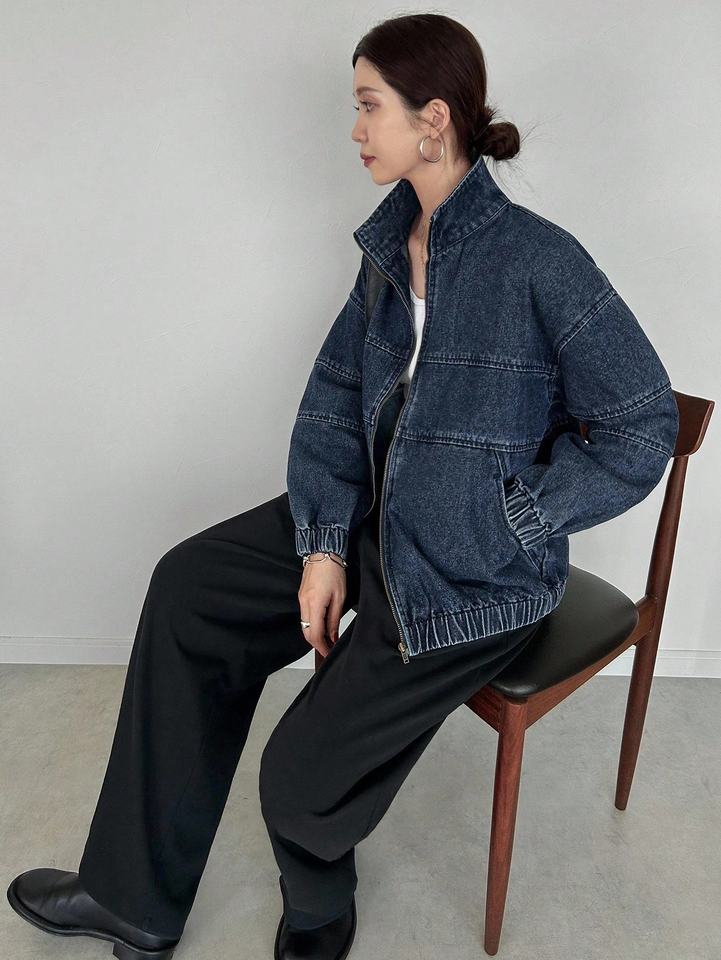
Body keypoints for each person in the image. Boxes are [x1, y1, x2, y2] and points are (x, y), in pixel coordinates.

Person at [6, 12, 679, 960]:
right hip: (372, 516)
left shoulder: (540, 260)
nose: (356, 130)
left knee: (295, 781)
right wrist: (323, 546)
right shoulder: (391, 246)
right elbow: (334, 398)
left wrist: (512, 516)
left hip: (469, 572)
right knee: (190, 589)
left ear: (432, 119)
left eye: (369, 107)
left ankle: (320, 907)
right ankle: (132, 901)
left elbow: (642, 422)